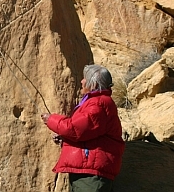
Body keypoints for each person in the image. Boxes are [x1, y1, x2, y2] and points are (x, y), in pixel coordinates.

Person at [41, 64, 125, 192]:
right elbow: (89, 134)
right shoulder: (98, 102)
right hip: (88, 171)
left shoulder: (98, 103)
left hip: (91, 175)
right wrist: (66, 139)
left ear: (93, 84)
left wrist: (50, 119)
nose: (82, 81)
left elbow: (75, 129)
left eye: (85, 78)